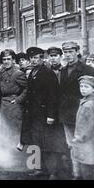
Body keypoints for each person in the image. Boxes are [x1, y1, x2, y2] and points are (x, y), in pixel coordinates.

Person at [20, 47, 67, 179]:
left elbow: (53, 96)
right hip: (34, 114)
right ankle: (38, 168)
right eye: (31, 58)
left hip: (44, 114)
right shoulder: (33, 72)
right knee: (35, 141)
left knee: (48, 144)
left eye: (36, 58)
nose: (33, 60)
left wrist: (51, 115)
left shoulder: (47, 73)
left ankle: (53, 172)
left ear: (41, 59)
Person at [58, 41, 94, 179]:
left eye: (71, 51)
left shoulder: (87, 70)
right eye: (65, 52)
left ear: (77, 51)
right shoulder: (62, 70)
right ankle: (75, 174)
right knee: (71, 144)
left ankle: (85, 174)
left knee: (85, 144)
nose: (68, 55)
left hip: (82, 113)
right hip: (66, 114)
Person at [71, 76, 94, 180]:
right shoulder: (87, 101)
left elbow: (90, 126)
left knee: (89, 168)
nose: (82, 89)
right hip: (90, 141)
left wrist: (80, 138)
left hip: (88, 141)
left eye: (86, 87)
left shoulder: (89, 105)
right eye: (81, 86)